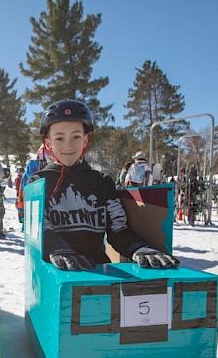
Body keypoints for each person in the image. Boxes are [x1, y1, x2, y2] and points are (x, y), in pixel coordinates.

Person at [30, 99, 179, 271]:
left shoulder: (101, 182)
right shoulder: (38, 183)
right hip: (55, 276)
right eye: (59, 138)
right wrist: (56, 248)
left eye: (76, 136)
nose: (68, 145)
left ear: (86, 140)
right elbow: (39, 232)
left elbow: (118, 230)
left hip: (99, 274)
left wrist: (138, 247)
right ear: (48, 143)